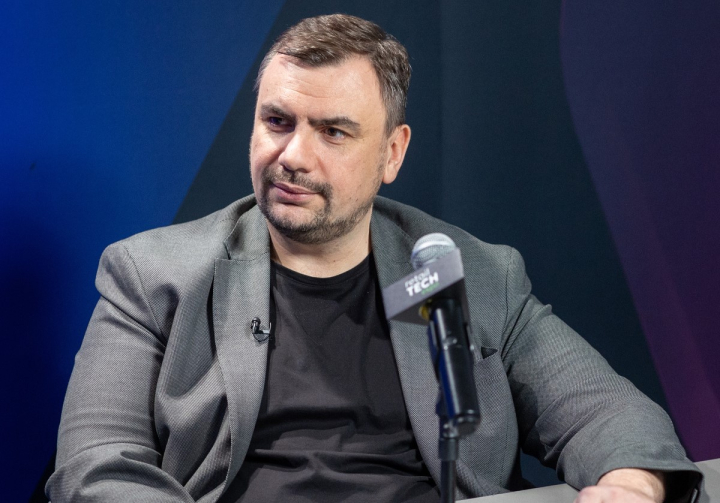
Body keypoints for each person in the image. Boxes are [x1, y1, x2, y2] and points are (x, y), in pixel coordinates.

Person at [47, 13, 701, 503]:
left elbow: (606, 412)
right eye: (277, 121)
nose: (293, 155)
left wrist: (632, 484)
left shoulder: (476, 274)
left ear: (392, 153)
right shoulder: (152, 275)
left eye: (332, 131)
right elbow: (95, 463)